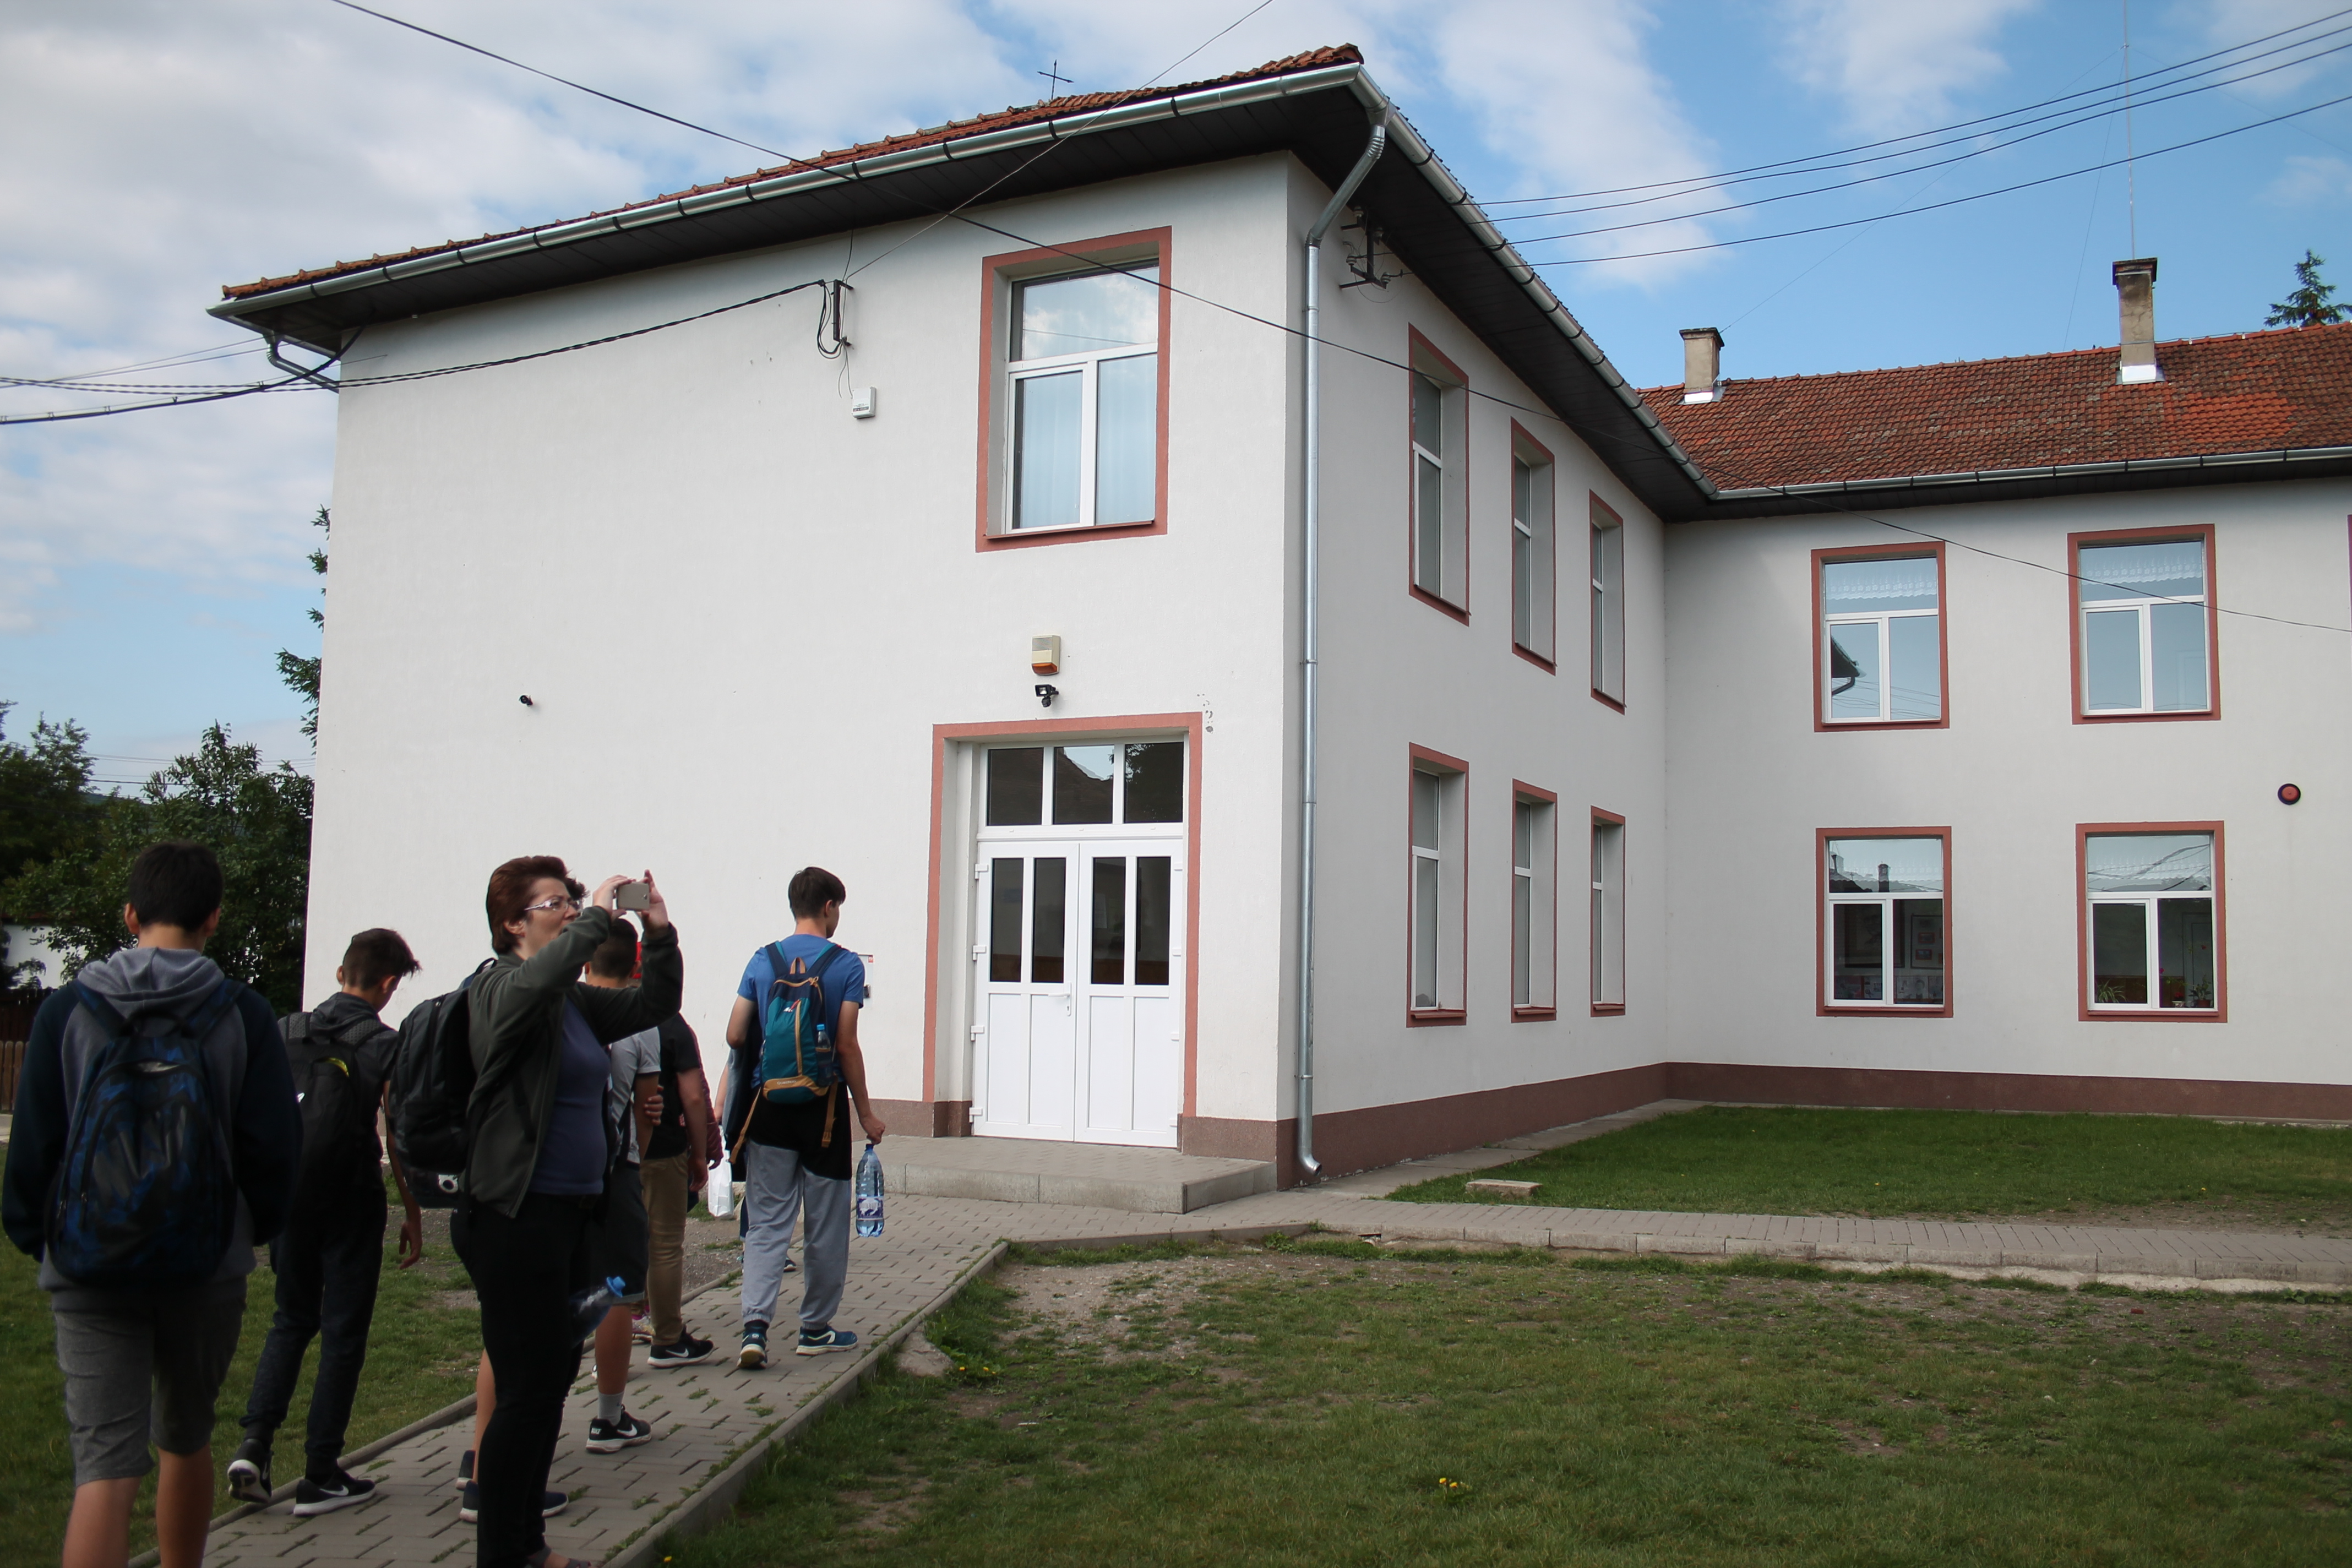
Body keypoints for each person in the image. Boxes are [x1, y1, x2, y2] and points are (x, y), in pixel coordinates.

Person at [2, 841, 300, 1568]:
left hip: (89, 1267)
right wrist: (244, 1232)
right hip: (206, 1265)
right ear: (214, 918)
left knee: (104, 1464)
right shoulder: (244, 1014)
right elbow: (273, 1148)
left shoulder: (68, 1010)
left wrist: (47, 1240)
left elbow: (35, 1147)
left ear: (131, 915)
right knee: (186, 1438)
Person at [453, 857, 680, 1568]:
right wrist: (598, 917)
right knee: (524, 1393)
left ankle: (530, 1545)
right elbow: (538, 981)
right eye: (556, 903)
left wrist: (659, 932)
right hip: (513, 1219)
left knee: (549, 1386)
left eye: (572, 901)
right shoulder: (500, 990)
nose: (572, 911)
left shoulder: (573, 1004)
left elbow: (655, 1003)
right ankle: (504, 1553)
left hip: (570, 1219)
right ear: (512, 924)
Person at [227, 929, 427, 1516]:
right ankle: (321, 1471)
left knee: (290, 1318)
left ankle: (254, 1444)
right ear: (389, 985)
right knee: (343, 1331)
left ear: (341, 973)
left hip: (288, 1193)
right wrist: (412, 1210)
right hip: (351, 1196)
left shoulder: (285, 1030)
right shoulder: (385, 1044)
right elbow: (400, 1133)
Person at [724, 866, 884, 1370]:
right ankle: (815, 1328)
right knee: (825, 1225)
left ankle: (754, 1328)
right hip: (824, 1113)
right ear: (830, 907)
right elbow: (846, 1044)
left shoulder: (763, 959)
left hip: (769, 1108)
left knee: (767, 1222)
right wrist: (866, 1112)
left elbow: (734, 1034)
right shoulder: (846, 965)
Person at [578, 924, 660, 1450]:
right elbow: (647, 1107)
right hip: (616, 1170)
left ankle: (486, 1446)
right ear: (635, 967)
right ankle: (608, 1417)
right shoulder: (639, 1022)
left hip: (559, 1172)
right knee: (616, 1294)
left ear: (585, 964)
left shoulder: (563, 1008)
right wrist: (639, 1161)